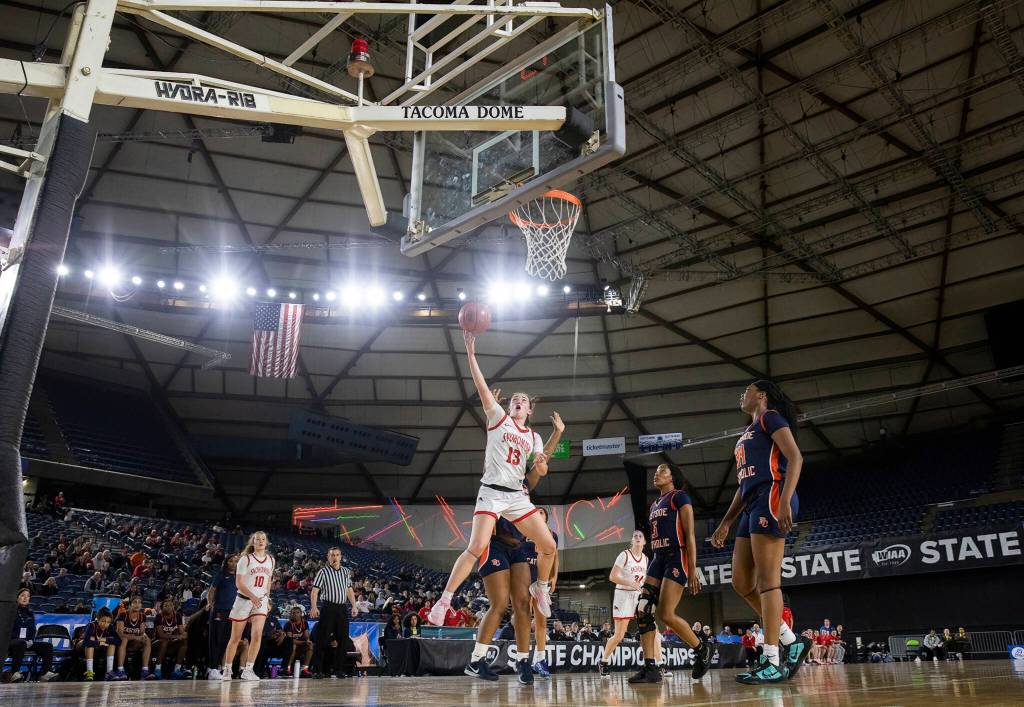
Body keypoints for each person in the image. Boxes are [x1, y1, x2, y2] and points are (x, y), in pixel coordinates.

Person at [427, 332, 561, 626]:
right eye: (515, 398)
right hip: (490, 492)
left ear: (529, 410)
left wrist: (540, 465)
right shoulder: (498, 418)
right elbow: (481, 386)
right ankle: (443, 601)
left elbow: (542, 469)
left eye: (523, 400)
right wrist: (471, 354)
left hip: (516, 496)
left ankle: (540, 590)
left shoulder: (534, 436)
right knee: (475, 547)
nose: (518, 401)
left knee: (549, 545)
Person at [711, 380, 810, 684]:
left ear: (762, 395)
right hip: (752, 500)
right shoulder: (749, 431)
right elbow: (743, 486)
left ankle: (773, 659)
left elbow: (795, 458)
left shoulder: (770, 417)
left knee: (768, 583)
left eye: (748, 389)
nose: (742, 394)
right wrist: (726, 521)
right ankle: (792, 641)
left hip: (772, 495)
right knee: (741, 582)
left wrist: (784, 500)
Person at [628, 464, 710, 685]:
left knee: (665, 613)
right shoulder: (654, 504)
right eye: (656, 471)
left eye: (662, 471)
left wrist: (693, 569)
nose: (657, 474)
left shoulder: (680, 497)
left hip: (677, 555)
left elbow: (690, 534)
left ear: (673, 477)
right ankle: (650, 667)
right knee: (642, 609)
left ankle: (702, 648)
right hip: (658, 557)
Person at [465, 517, 524, 682]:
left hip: (519, 549)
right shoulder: (495, 494)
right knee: (499, 605)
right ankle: (476, 660)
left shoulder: (523, 498)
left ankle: (523, 660)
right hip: (495, 546)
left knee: (523, 605)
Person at [220, 531, 275, 681]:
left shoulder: (271, 559)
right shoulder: (246, 559)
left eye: (263, 539)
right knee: (235, 638)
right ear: (253, 542)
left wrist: (267, 599)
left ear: (266, 542)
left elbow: (268, 582)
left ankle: (248, 670)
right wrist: (252, 596)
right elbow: (239, 583)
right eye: (258, 539)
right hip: (244, 600)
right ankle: (227, 669)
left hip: (261, 601)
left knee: (257, 636)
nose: (261, 541)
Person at [600, 530, 648, 677]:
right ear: (632, 541)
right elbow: (613, 576)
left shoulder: (645, 559)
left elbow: (643, 580)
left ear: (645, 542)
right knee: (619, 635)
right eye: (635, 536)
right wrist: (630, 583)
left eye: (641, 536)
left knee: (651, 630)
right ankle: (604, 661)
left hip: (637, 595)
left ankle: (658, 664)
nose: (638, 537)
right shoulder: (625, 555)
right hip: (623, 595)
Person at [309, 547, 358, 678]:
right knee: (322, 640)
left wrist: (354, 605)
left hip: (342, 608)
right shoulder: (323, 572)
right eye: (332, 555)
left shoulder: (346, 571)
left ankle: (338, 669)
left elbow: (349, 590)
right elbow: (314, 591)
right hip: (328, 607)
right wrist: (314, 607)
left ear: (341, 557)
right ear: (328, 557)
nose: (335, 557)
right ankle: (317, 670)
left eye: (337, 555)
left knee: (343, 640)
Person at [3, 588, 58, 682]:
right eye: (23, 595)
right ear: (17, 598)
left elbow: (32, 630)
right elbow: (6, 629)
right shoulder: (10, 611)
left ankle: (45, 673)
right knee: (21, 643)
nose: (25, 598)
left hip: (25, 642)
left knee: (47, 646)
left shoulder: (30, 613)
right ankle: (15, 672)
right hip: (11, 642)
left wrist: (31, 640)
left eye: (28, 596)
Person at [205, 554, 239, 680]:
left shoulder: (238, 577)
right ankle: (212, 668)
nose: (233, 563)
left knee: (226, 640)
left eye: (236, 561)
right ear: (226, 562)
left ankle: (218, 667)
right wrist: (210, 603)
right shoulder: (221, 575)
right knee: (216, 639)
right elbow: (211, 590)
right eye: (231, 561)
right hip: (219, 610)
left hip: (232, 612)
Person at [111, 595, 153, 680]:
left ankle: (145, 670)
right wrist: (135, 637)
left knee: (147, 640)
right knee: (124, 639)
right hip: (119, 641)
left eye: (139, 602)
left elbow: (141, 633)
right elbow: (120, 633)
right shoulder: (123, 614)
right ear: (130, 605)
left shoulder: (142, 616)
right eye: (135, 602)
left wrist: (141, 637)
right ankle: (120, 670)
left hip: (132, 642)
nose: (137, 604)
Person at [151, 598, 189, 679]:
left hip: (170, 644)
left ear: (173, 607)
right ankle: (157, 669)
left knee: (184, 642)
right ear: (162, 608)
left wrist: (184, 634)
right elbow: (161, 635)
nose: (168, 607)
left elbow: (181, 631)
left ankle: (177, 669)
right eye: (166, 605)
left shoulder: (177, 615)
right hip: (156, 644)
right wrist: (177, 636)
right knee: (164, 641)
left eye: (171, 605)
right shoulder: (159, 616)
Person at [82, 607, 120, 681]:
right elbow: (85, 642)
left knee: (112, 643)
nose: (105, 624)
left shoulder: (110, 627)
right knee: (91, 639)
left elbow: (118, 641)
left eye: (108, 622)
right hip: (82, 645)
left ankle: (109, 672)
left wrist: (105, 639)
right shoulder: (91, 625)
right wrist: (99, 642)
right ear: (97, 619)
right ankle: (89, 672)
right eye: (103, 621)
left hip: (99, 646)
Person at [283, 607, 314, 677]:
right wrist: (304, 642)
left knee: (310, 645)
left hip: (301, 645)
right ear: (291, 614)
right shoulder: (288, 624)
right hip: (289, 646)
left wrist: (308, 640)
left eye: (297, 612)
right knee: (293, 645)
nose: (295, 614)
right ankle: (287, 668)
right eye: (293, 613)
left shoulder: (304, 623)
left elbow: (306, 636)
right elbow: (290, 640)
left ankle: (304, 669)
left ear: (301, 614)